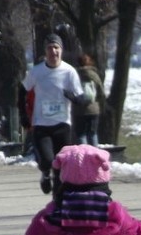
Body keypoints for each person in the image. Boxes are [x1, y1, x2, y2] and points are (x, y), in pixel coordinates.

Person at [21, 34, 90, 194]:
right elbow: (22, 91)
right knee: (47, 161)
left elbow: (81, 98)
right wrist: (24, 115)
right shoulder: (36, 72)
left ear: (61, 50)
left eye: (56, 47)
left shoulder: (69, 72)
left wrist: (73, 97)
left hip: (62, 125)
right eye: (50, 48)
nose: (53, 51)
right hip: (41, 125)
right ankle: (45, 174)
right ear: (45, 51)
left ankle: (58, 201)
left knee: (62, 164)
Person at [73, 53, 106, 146]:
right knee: (93, 134)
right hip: (93, 109)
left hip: (79, 110)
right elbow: (101, 92)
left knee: (81, 135)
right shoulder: (94, 75)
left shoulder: (75, 75)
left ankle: (84, 157)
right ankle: (95, 156)